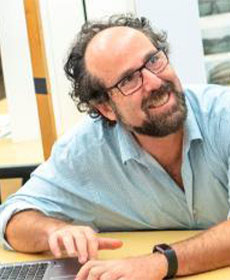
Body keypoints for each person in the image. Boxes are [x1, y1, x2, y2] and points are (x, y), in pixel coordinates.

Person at [1, 14, 230, 280]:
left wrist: (158, 263)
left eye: (153, 60)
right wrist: (53, 231)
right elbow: (12, 219)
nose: (155, 82)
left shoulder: (223, 116)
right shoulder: (86, 151)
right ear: (106, 108)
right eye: (128, 80)